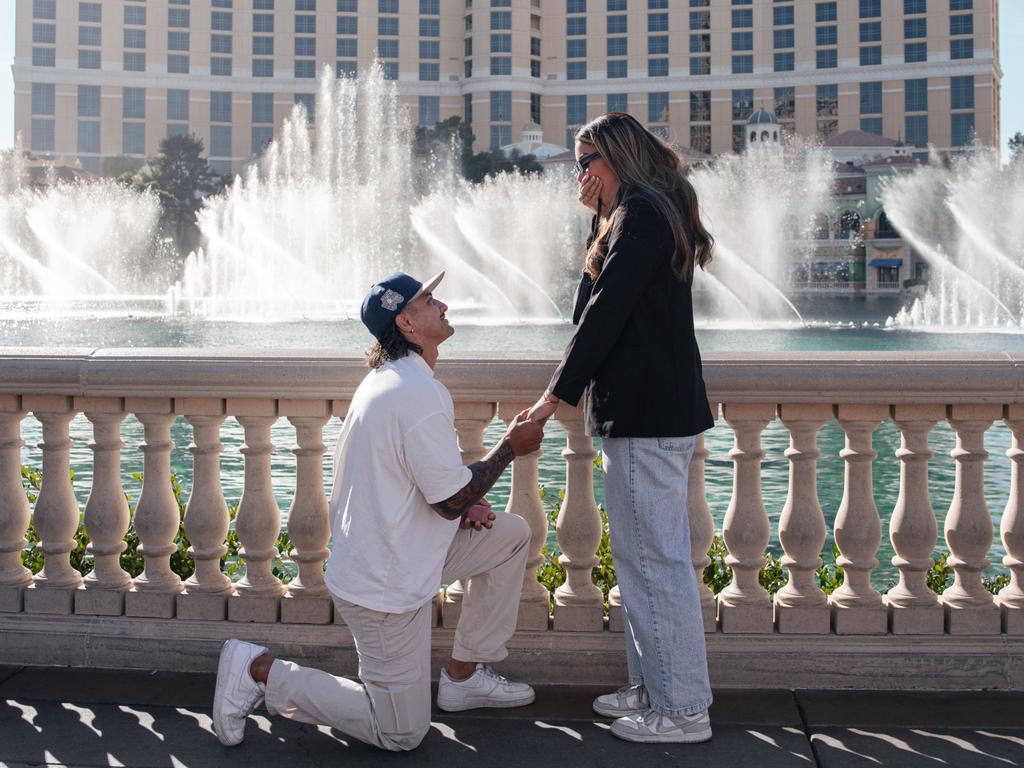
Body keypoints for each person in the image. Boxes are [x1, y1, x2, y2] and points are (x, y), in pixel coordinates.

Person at [213, 270, 545, 752]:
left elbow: (434, 484)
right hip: (384, 588)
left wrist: (466, 498)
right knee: (401, 733)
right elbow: (448, 500)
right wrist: (508, 449)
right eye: (429, 299)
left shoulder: (395, 381)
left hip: (404, 554)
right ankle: (258, 671)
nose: (442, 304)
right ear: (407, 324)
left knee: (509, 534)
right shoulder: (416, 393)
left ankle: (464, 676)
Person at [528, 112, 716, 744]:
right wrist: (595, 218)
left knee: (654, 563)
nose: (579, 175)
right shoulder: (636, 213)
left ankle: (683, 709)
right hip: (650, 413)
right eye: (577, 165)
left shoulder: (643, 216)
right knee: (641, 562)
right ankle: (652, 687)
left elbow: (602, 318)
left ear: (618, 158)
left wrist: (555, 395)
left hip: (646, 415)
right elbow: (589, 304)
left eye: (588, 163)